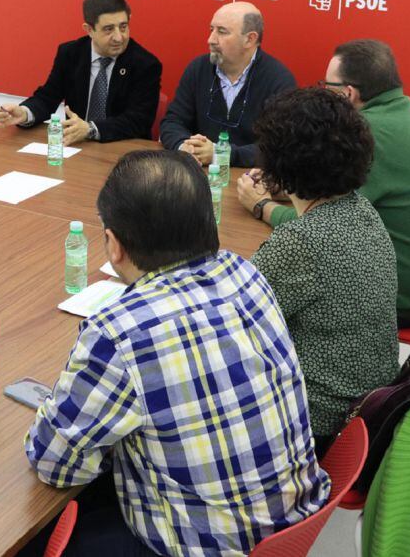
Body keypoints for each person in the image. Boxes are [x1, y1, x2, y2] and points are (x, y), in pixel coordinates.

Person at [21, 150, 329, 557]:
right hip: (288, 528)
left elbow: (53, 464)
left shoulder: (119, 332)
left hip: (208, 545)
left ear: (113, 245)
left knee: (35, 537)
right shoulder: (245, 272)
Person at [239, 40, 410, 325]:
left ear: (347, 93)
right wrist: (285, 182)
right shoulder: (399, 115)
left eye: (327, 86)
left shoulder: (368, 133)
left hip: (397, 297)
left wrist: (262, 206)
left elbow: (325, 222)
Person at [247, 88, 400, 452]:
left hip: (317, 426)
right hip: (369, 405)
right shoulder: (362, 210)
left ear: (279, 166)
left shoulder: (299, 243)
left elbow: (227, 323)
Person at [0, 0, 162, 144]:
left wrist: (91, 129)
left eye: (123, 27)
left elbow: (139, 120)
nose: (119, 37)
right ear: (89, 29)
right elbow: (47, 97)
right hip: (77, 146)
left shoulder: (145, 64)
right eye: (109, 29)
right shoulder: (71, 54)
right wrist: (25, 113)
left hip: (121, 148)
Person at [158, 2, 296, 167]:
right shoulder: (198, 68)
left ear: (250, 39)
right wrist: (184, 147)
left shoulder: (278, 80)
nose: (210, 40)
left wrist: (220, 154)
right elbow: (172, 122)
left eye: (222, 32)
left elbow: (278, 148)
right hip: (195, 173)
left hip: (247, 182)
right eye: (211, 30)